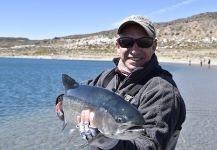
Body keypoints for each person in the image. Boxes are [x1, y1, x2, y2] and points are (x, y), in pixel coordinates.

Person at [56, 15, 186, 150]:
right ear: (117, 45)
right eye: (126, 42)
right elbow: (76, 92)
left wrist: (108, 143)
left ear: (154, 46)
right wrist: (61, 105)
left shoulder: (162, 91)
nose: (135, 50)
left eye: (144, 42)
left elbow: (150, 145)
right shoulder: (107, 77)